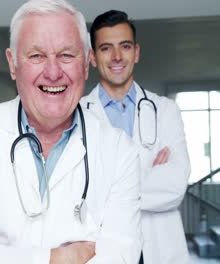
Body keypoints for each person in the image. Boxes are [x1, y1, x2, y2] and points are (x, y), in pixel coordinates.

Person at [0, 0, 142, 263]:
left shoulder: (119, 151)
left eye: (66, 55)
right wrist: (60, 257)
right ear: (13, 64)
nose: (53, 72)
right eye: (36, 56)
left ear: (86, 63)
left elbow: (121, 256)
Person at [81, 10, 191, 264]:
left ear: (136, 52)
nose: (117, 57)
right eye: (106, 48)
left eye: (125, 46)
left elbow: (175, 185)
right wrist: (150, 177)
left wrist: (108, 188)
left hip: (160, 249)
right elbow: (77, 193)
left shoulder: (165, 110)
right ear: (93, 57)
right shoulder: (78, 116)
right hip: (104, 251)